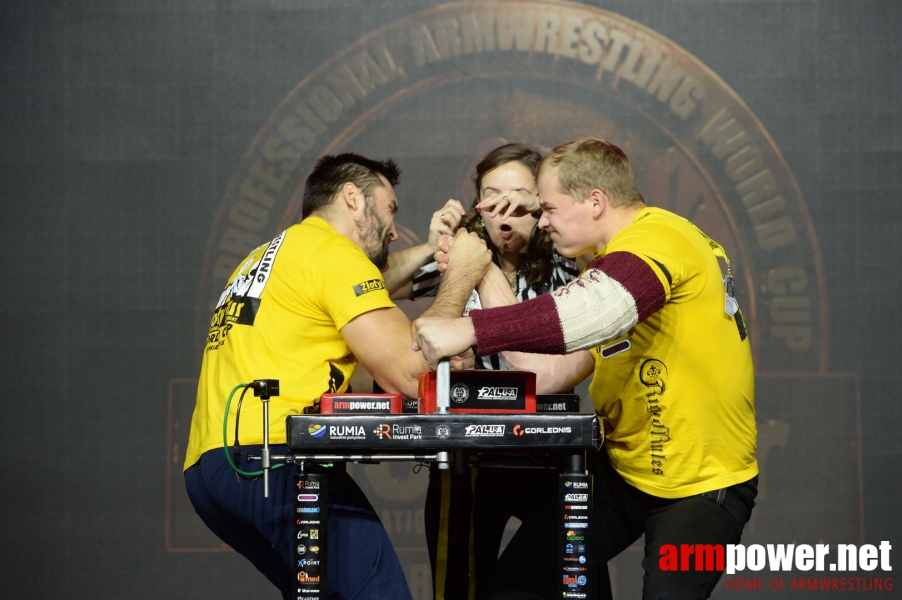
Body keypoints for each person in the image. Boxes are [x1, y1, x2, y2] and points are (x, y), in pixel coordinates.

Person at [414, 138, 758, 600]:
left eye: (549, 209)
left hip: (700, 488)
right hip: (626, 475)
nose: (542, 222)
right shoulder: (608, 260)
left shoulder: (658, 241)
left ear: (595, 202)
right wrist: (486, 265)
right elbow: (548, 374)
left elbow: (590, 311)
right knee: (514, 590)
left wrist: (470, 330)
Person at [183, 152, 491, 600]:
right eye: (390, 209)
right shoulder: (333, 254)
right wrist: (461, 273)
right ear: (352, 197)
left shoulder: (274, 255)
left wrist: (429, 251)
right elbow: (409, 373)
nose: (392, 227)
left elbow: (340, 346)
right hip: (278, 462)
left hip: (213, 471)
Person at [385, 143, 583, 600]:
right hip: (468, 454)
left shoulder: (569, 264)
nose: (504, 210)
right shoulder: (459, 262)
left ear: (541, 205)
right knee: (459, 586)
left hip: (549, 452)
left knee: (573, 579)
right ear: (477, 206)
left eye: (519, 197)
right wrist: (429, 248)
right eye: (491, 197)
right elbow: (375, 278)